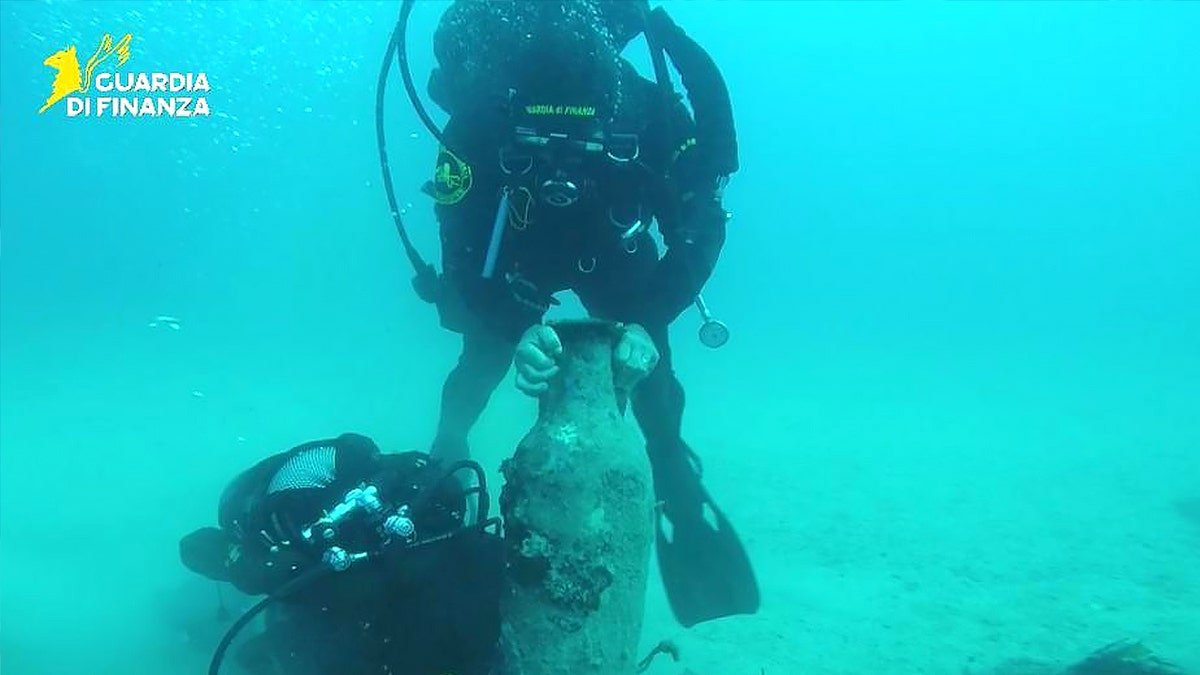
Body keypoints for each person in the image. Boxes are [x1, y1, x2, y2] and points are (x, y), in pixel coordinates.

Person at [418, 0, 758, 627]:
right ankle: (447, 446)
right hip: (517, 253)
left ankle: (671, 469)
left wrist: (649, 318)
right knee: (483, 356)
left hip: (615, 246)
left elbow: (702, 220)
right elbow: (461, 251)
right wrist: (515, 327)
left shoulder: (649, 109)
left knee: (649, 358)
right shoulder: (479, 118)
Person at [178, 433, 504, 675]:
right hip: (436, 572)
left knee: (263, 648)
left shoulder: (304, 551)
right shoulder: (413, 513)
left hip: (396, 616)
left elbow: (210, 554)